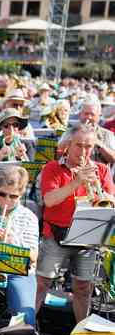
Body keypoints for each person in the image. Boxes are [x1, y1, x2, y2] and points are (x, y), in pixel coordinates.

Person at [36, 124, 115, 324]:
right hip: (56, 235)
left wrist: (101, 193)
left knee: (83, 288)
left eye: (89, 146)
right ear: (68, 145)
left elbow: (111, 202)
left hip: (87, 238)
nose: (84, 151)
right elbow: (49, 201)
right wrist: (75, 183)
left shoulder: (102, 170)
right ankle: (26, 327)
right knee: (42, 283)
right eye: (79, 145)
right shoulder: (52, 168)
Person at [0, 166, 39, 326]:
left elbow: (33, 256)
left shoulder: (29, 217)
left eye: (13, 196)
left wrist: (11, 241)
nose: (6, 200)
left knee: (25, 316)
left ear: (21, 195)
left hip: (16, 271)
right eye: (2, 194)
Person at [57, 97, 115, 164]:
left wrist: (99, 144)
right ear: (80, 114)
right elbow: (58, 155)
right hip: (72, 172)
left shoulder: (107, 134)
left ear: (99, 115)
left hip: (97, 173)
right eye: (86, 114)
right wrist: (70, 140)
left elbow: (113, 159)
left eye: (92, 114)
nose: (89, 117)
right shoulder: (69, 132)